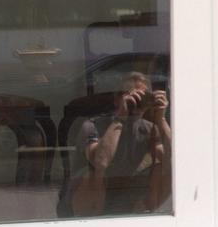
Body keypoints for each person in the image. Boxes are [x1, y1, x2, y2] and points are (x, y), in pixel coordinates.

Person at [57, 71, 171, 217]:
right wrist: (121, 117)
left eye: (142, 96)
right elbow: (100, 162)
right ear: (117, 100)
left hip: (122, 194)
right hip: (81, 202)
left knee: (165, 169)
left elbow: (173, 160)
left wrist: (161, 119)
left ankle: (144, 214)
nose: (137, 100)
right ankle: (92, 223)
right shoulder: (92, 125)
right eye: (131, 95)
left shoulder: (148, 129)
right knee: (95, 173)